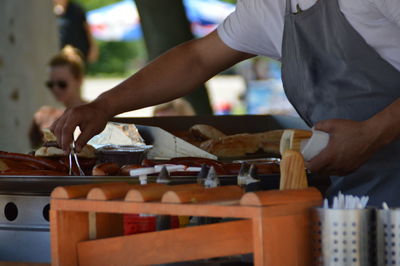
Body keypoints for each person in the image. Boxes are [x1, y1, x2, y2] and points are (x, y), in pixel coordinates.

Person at [52, 0, 400, 205]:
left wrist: (373, 133)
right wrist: (103, 105)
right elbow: (197, 59)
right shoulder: (268, 7)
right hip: (355, 200)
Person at [29, 46, 86, 148]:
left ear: (79, 80)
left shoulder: (92, 114)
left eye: (62, 84)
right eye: (50, 84)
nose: (55, 89)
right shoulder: (47, 115)